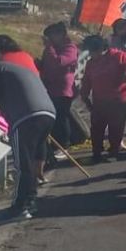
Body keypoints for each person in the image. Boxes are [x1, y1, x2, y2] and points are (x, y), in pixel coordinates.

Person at [0, 48, 55, 220]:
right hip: (48, 113)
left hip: (26, 118)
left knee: (23, 164)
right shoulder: (13, 68)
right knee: (30, 161)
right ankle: (30, 202)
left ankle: (20, 207)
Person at [80, 35, 126, 163]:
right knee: (96, 128)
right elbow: (86, 80)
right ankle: (96, 153)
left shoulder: (117, 56)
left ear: (101, 49)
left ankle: (114, 151)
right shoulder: (91, 63)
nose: (91, 55)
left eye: (93, 52)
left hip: (118, 100)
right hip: (99, 101)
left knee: (116, 128)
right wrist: (84, 95)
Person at [39, 22, 80, 167]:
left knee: (61, 117)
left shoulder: (70, 48)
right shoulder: (52, 49)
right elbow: (46, 64)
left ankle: (64, 145)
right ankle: (56, 145)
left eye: (53, 35)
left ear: (62, 35)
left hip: (63, 89)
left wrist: (49, 48)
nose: (50, 38)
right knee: (54, 117)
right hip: (50, 87)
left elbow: (59, 63)